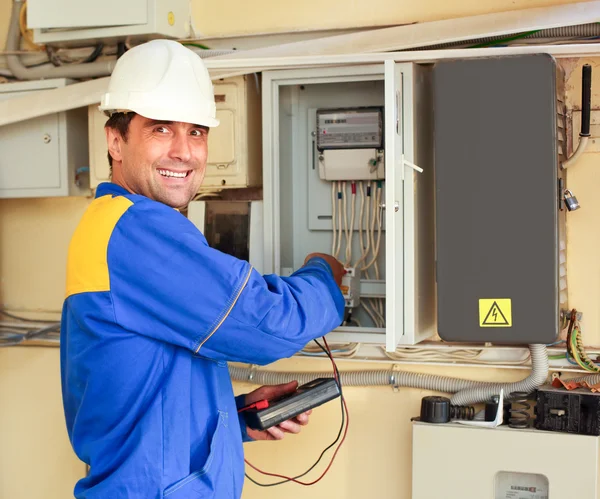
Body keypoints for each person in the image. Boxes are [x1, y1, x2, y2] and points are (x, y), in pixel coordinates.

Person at [60, 39, 345, 498]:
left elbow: (137, 403)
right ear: (116, 141)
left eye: (196, 132)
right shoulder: (137, 232)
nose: (184, 152)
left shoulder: (110, 225)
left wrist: (235, 418)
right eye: (160, 130)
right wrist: (324, 278)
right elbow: (269, 322)